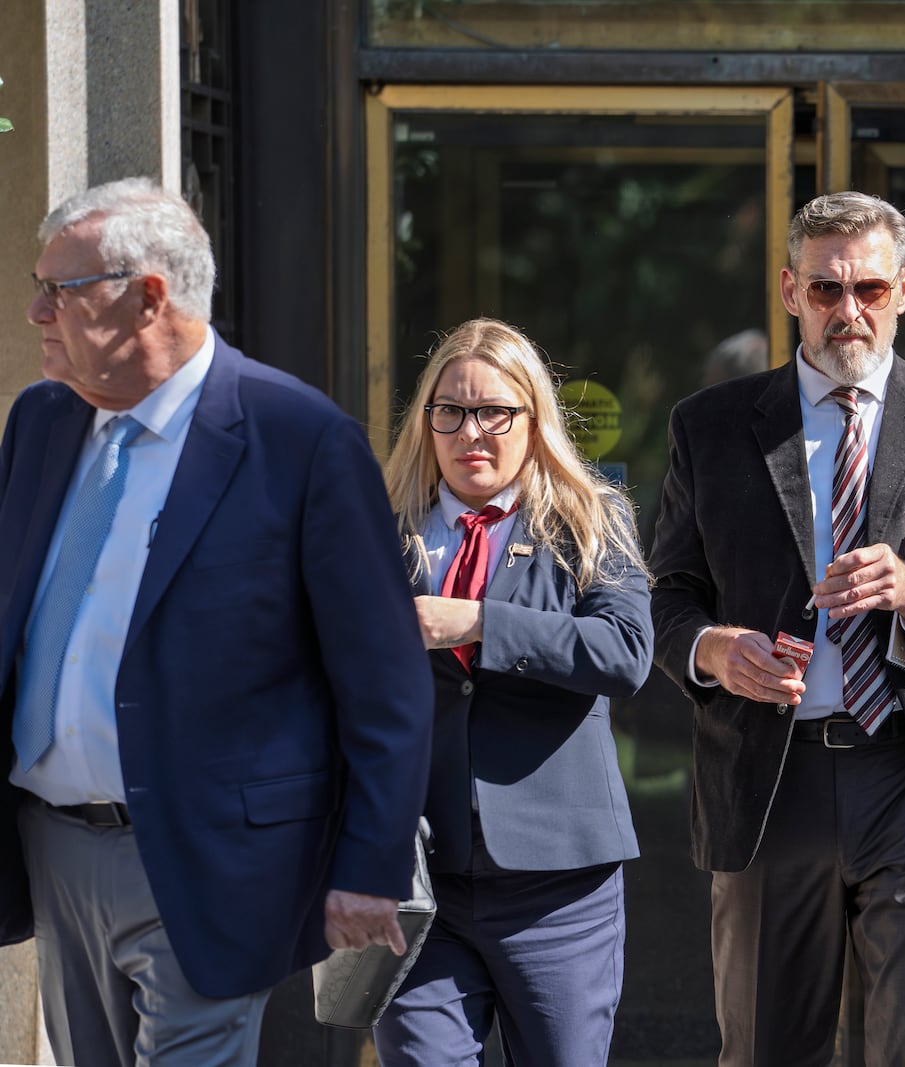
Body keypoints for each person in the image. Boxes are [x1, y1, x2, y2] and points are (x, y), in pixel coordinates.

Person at [0, 177, 433, 1065]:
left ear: (148, 297)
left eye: (61, 290)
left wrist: (369, 862)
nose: (38, 312)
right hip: (52, 842)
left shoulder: (297, 437)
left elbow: (385, 679)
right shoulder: (41, 423)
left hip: (211, 853)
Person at [649, 191, 905, 1066]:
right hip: (768, 777)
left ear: (903, 288)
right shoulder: (710, 427)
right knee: (765, 1049)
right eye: (825, 290)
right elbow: (664, 596)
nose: (847, 311)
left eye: (866, 287)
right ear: (790, 290)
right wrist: (714, 650)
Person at [374, 318, 653, 1067]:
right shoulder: (379, 526)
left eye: (495, 411)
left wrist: (479, 622)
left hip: (555, 884)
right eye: (451, 411)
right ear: (426, 421)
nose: (473, 431)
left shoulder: (590, 519)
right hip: (419, 877)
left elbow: (625, 654)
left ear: (534, 419)